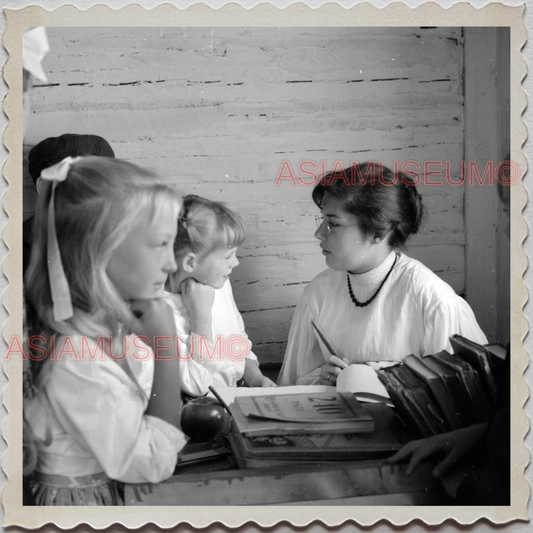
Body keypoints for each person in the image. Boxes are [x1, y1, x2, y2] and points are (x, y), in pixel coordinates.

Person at [24, 156, 186, 505]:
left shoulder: (95, 332)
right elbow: (153, 462)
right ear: (100, 250)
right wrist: (166, 349)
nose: (172, 263)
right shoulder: (76, 359)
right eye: (160, 243)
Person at [278, 162, 488, 386]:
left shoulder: (433, 301)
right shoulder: (318, 293)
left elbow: (469, 398)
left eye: (333, 223)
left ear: (379, 231)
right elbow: (289, 388)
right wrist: (322, 379)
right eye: (322, 220)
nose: (318, 233)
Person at [165, 195, 276, 398]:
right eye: (227, 256)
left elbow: (237, 344)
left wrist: (256, 379)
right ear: (190, 263)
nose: (236, 263)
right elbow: (198, 387)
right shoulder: (161, 310)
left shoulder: (219, 285)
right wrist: (201, 317)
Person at [23, 133, 116, 273]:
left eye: (103, 179)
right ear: (43, 186)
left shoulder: (125, 235)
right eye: (79, 179)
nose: (96, 189)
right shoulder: (15, 246)